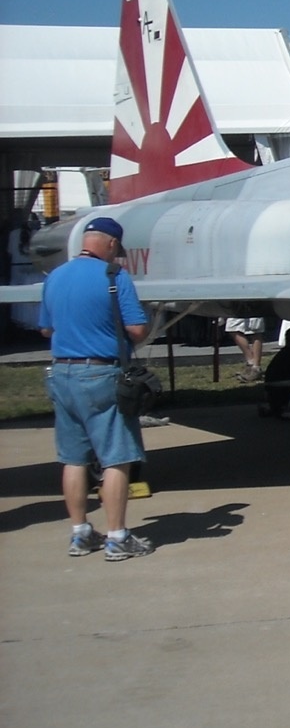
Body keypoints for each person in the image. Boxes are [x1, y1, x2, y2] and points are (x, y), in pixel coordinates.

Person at [38, 216, 154, 560]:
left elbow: (46, 330)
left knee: (73, 459)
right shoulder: (114, 277)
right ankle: (118, 537)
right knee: (117, 458)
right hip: (101, 374)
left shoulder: (55, 277)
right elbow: (136, 329)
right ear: (112, 244)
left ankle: (80, 533)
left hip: (61, 374)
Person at [226, 316, 266, 382]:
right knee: (232, 328)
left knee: (255, 330)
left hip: (254, 307)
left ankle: (256, 367)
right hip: (237, 307)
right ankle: (251, 362)